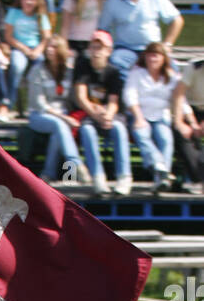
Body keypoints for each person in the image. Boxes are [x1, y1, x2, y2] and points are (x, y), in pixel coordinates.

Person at [69, 28, 132, 193]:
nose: (96, 52)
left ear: (109, 51)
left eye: (101, 48)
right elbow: (81, 98)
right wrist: (96, 115)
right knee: (87, 131)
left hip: (108, 115)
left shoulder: (114, 72)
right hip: (91, 114)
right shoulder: (82, 67)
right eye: (94, 47)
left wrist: (108, 116)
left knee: (119, 129)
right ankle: (98, 177)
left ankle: (124, 177)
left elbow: (114, 101)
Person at [97, 0, 183, 72]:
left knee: (172, 71)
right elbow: (103, 29)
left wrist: (167, 44)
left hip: (153, 48)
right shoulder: (114, 1)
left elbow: (176, 20)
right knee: (116, 66)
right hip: (125, 49)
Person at [26, 32, 86, 180]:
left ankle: (51, 174)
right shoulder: (37, 70)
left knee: (57, 135)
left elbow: (73, 98)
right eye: (48, 46)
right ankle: (76, 165)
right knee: (60, 125)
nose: (49, 50)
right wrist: (64, 117)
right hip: (39, 115)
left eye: (54, 47)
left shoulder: (69, 72)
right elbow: (39, 103)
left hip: (63, 116)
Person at [123, 39, 179, 188]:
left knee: (165, 139)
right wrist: (138, 118)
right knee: (142, 135)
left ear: (163, 58)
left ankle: (161, 179)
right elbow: (130, 96)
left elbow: (180, 99)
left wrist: (188, 120)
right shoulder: (136, 74)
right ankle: (159, 165)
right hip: (140, 116)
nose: (152, 59)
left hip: (161, 117)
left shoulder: (171, 76)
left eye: (156, 55)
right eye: (150, 55)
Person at [3, 0, 51, 110]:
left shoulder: (41, 15)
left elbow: (46, 37)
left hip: (35, 48)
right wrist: (23, 49)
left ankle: (36, 105)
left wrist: (38, 50)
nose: (28, 2)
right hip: (19, 47)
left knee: (40, 69)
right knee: (17, 67)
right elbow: (8, 36)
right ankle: (9, 104)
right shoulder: (14, 13)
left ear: (37, 1)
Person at [60, 0, 124, 51]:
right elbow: (65, 27)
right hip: (74, 41)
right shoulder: (70, 1)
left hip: (92, 41)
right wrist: (64, 47)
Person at [171, 52, 204, 190]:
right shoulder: (193, 66)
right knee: (180, 134)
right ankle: (198, 179)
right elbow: (178, 94)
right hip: (189, 109)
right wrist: (179, 122)